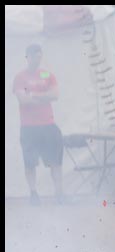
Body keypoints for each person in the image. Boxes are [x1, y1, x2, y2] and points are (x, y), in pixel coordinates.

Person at [13, 43, 65, 205]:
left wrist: (34, 94)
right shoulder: (20, 77)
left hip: (48, 125)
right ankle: (33, 193)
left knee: (55, 161)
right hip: (29, 127)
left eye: (40, 55)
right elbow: (23, 99)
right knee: (30, 163)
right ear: (27, 56)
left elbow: (55, 94)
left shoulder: (46, 75)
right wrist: (43, 96)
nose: (38, 58)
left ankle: (59, 193)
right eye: (35, 55)